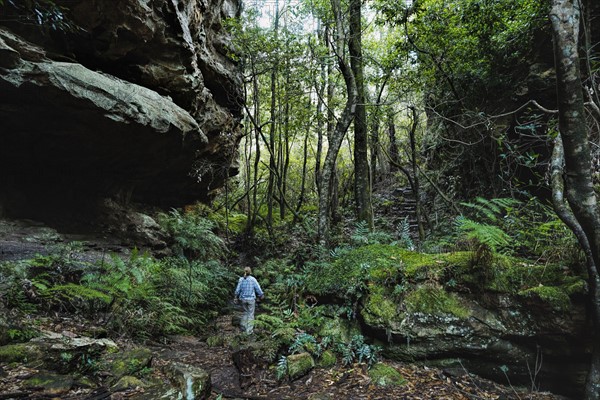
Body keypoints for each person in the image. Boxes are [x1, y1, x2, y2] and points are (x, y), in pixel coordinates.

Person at [234, 266, 264, 335]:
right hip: (251, 300)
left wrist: (235, 297)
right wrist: (261, 295)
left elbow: (237, 290)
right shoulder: (253, 279)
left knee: (245, 312)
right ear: (250, 272)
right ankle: (249, 331)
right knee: (251, 314)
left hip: (243, 299)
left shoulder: (241, 279)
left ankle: (243, 327)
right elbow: (258, 288)